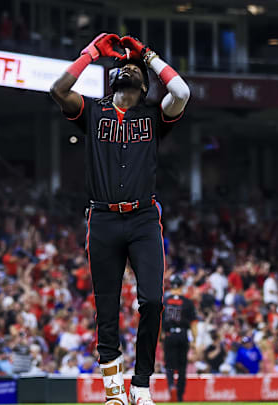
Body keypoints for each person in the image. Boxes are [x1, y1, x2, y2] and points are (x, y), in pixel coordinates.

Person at [50, 33, 189, 405]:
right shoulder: (93, 111)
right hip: (103, 218)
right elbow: (57, 88)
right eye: (120, 66)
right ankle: (113, 390)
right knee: (106, 307)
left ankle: (140, 383)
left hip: (143, 218)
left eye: (133, 68)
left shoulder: (153, 116)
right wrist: (90, 54)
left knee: (153, 301)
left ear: (144, 83)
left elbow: (182, 92)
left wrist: (148, 54)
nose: (125, 70)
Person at [162, 274, 197, 402]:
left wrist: (160, 338)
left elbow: (159, 321)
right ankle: (180, 395)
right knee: (182, 367)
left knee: (169, 365)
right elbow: (193, 323)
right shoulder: (187, 302)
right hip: (183, 335)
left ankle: (172, 385)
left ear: (171, 286)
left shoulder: (165, 301)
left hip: (169, 335)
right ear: (181, 286)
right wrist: (194, 340)